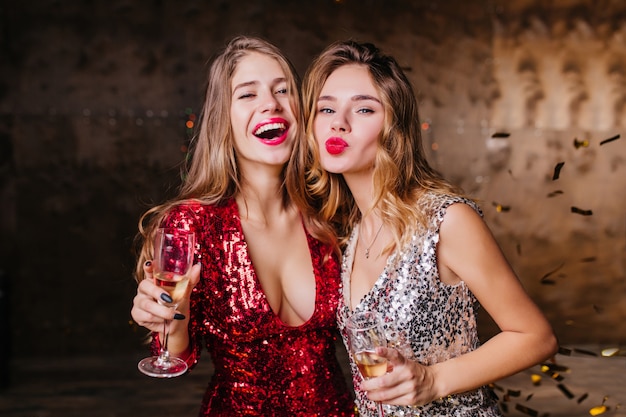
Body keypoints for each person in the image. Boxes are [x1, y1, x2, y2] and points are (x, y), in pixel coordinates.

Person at [298, 40, 559, 416]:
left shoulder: (446, 220)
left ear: (393, 128)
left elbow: (536, 337)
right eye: (326, 108)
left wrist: (434, 380)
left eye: (364, 108)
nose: (339, 122)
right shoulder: (350, 229)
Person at [130, 36, 355, 416]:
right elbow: (174, 357)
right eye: (247, 94)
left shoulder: (332, 211)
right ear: (224, 118)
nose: (271, 103)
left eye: (283, 89)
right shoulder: (191, 223)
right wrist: (171, 313)